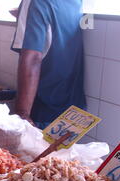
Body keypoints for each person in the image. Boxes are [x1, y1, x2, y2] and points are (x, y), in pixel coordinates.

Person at [11, 0, 86, 129]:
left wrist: (22, 114)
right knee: (65, 150)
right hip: (74, 111)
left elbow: (33, 57)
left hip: (42, 111)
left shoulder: (36, 2)